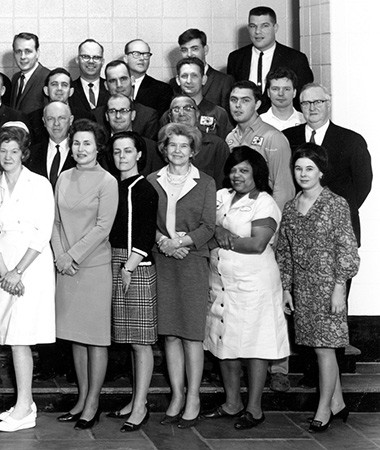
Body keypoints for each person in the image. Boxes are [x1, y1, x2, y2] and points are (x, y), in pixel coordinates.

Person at [203, 147, 289, 430]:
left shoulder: (264, 202)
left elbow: (257, 244)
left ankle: (254, 408)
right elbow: (205, 226)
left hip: (255, 284)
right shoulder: (220, 197)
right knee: (224, 341)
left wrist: (223, 237)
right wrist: (217, 231)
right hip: (221, 282)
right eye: (234, 170)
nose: (237, 176)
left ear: (257, 174)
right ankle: (232, 403)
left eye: (244, 171)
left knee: (255, 344)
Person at [276, 143, 359, 433]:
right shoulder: (290, 207)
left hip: (329, 286)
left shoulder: (336, 204)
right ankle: (337, 403)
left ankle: (323, 408)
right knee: (317, 347)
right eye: (298, 168)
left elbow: (347, 249)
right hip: (303, 289)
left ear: (321, 171)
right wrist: (286, 288)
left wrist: (340, 288)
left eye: (309, 168)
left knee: (326, 349)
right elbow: (284, 253)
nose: (303, 173)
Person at [0, 126, 56, 432]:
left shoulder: (39, 184)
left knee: (20, 339)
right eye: (3, 150)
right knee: (11, 337)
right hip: (3, 267)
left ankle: (26, 406)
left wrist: (18, 272)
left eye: (14, 151)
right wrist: (4, 272)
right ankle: (22, 403)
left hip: (32, 267)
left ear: (23, 153)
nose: (8, 156)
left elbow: (43, 231)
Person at [51, 119, 119, 430]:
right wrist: (60, 256)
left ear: (98, 147)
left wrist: (73, 256)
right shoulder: (63, 177)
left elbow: (103, 228)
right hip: (65, 266)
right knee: (75, 337)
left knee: (95, 339)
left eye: (87, 144)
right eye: (76, 143)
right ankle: (80, 398)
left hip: (92, 268)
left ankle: (93, 403)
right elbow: (54, 223)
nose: (80, 149)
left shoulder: (107, 181)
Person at [147, 122, 216, 428]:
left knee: (191, 334)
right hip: (164, 261)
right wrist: (164, 243)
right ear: (164, 148)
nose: (177, 150)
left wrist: (182, 242)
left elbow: (209, 226)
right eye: (172, 145)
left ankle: (194, 398)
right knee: (170, 332)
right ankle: (176, 395)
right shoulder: (152, 180)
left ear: (193, 150)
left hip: (191, 261)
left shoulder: (206, 182)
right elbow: (149, 223)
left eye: (183, 146)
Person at [105, 131, 159, 432]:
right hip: (116, 260)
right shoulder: (116, 185)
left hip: (134, 265)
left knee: (140, 342)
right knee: (127, 338)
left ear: (139, 154)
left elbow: (145, 231)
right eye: (117, 151)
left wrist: (129, 267)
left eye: (128, 151)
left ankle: (141, 405)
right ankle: (134, 399)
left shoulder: (143, 188)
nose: (122, 156)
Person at [283, 84, 372, 245]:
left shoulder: (351, 140)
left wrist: (340, 208)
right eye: (306, 103)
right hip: (299, 226)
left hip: (339, 227)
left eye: (318, 102)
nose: (312, 108)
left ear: (328, 104)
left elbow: (363, 184)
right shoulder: (287, 137)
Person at [227, 6, 313, 109]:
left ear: (275, 27)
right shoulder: (235, 58)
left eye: (265, 26)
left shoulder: (296, 59)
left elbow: (304, 98)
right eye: (253, 26)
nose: (258, 31)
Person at [226, 81, 294, 209]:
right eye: (233, 100)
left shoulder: (273, 137)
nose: (238, 105)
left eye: (245, 100)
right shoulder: (230, 138)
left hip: (263, 215)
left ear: (257, 104)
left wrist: (272, 222)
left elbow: (283, 189)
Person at [167, 95, 230, 187]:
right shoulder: (163, 145)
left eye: (188, 108)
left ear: (197, 114)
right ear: (170, 117)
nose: (181, 113)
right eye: (176, 109)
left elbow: (223, 184)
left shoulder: (216, 145)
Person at [169, 29, 234, 116]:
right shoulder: (174, 83)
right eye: (184, 50)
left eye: (194, 49)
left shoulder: (223, 81)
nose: (189, 54)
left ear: (205, 50)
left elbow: (227, 119)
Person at [125, 39, 173, 113]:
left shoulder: (162, 90)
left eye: (146, 54)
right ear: (126, 58)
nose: (142, 58)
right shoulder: (114, 85)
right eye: (136, 54)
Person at [8, 32, 50, 114]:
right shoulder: (15, 78)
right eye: (18, 51)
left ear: (37, 53)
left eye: (28, 51)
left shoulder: (48, 77)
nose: (22, 57)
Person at [68, 39, 107, 121]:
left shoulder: (111, 88)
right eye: (85, 57)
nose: (91, 61)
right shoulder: (69, 90)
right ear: (77, 60)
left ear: (102, 61)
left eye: (96, 57)